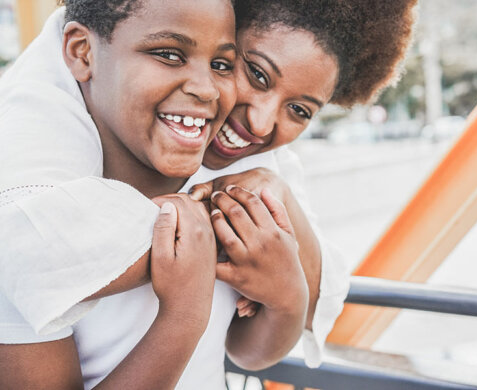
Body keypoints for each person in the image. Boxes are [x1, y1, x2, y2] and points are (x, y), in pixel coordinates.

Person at [0, 0, 417, 388]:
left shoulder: (239, 159)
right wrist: (186, 302)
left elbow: (249, 348)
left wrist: (289, 290)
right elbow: (28, 248)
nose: (260, 121)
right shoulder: (34, 185)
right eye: (254, 73)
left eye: (300, 110)